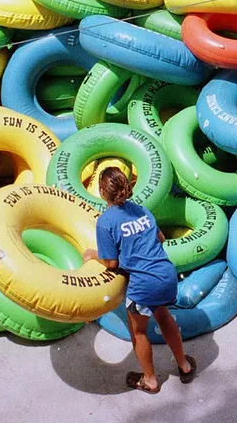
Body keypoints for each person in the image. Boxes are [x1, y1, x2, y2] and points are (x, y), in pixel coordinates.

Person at [82, 167, 197, 393]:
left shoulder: (105, 222)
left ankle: (150, 380)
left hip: (144, 285)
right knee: (163, 317)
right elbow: (161, 239)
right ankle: (184, 366)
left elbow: (111, 263)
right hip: (166, 274)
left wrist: (93, 254)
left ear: (102, 191)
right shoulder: (143, 211)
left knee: (139, 332)